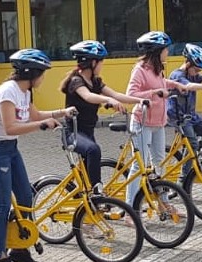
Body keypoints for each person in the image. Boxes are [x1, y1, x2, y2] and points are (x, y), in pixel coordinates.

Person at [0, 48, 73, 262]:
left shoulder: (25, 92)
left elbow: (35, 114)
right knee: (2, 205)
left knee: (25, 198)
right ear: (31, 73)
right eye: (42, 74)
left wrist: (63, 113)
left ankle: (20, 249)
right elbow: (11, 127)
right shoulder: (8, 92)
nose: (43, 78)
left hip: (10, 149)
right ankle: (0, 259)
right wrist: (41, 126)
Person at [60, 40, 145, 190]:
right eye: (101, 62)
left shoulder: (95, 81)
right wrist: (107, 99)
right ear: (92, 63)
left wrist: (141, 100)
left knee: (88, 167)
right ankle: (97, 190)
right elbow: (87, 96)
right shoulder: (76, 81)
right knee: (93, 150)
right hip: (73, 133)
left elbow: (116, 95)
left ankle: (86, 198)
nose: (102, 65)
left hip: (87, 132)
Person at [123, 31, 186, 205]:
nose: (168, 53)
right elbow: (131, 94)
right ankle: (131, 209)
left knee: (159, 164)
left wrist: (177, 85)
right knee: (139, 166)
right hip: (142, 122)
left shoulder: (158, 69)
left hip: (158, 123)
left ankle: (164, 203)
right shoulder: (140, 70)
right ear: (157, 51)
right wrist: (154, 93)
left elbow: (162, 85)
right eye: (165, 50)